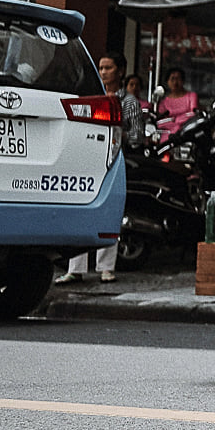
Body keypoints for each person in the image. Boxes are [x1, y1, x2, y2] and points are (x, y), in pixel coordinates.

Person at [61, 52, 129, 284]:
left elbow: (137, 134)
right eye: (101, 68)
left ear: (120, 71)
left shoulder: (128, 100)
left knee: (108, 210)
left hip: (115, 156)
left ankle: (106, 268)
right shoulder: (91, 95)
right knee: (81, 207)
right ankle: (75, 268)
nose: (103, 72)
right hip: (89, 154)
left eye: (108, 68)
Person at [155, 67, 198, 140]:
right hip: (168, 135)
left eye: (178, 79)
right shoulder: (164, 102)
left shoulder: (191, 96)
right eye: (172, 79)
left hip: (188, 132)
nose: (175, 82)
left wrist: (177, 120)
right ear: (167, 82)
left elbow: (194, 114)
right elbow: (160, 122)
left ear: (183, 81)